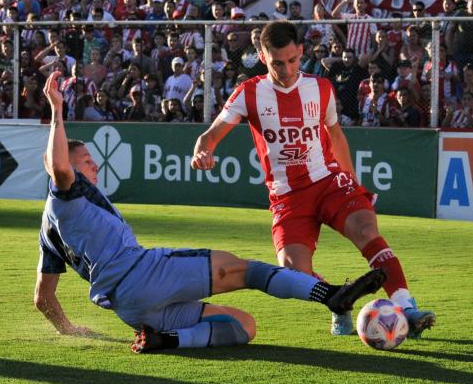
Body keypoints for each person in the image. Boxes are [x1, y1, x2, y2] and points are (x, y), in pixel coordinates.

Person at [35, 70, 386, 353]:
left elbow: (43, 297)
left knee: (242, 326)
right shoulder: (68, 191)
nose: (94, 167)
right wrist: (57, 110)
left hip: (131, 311)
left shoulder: (49, 227)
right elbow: (60, 168)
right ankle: (331, 296)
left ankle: (167, 340)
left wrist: (69, 329)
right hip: (146, 274)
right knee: (251, 271)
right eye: (87, 161)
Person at [190, 21, 435, 338]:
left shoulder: (320, 88)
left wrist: (352, 181)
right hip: (287, 197)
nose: (287, 69)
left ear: (301, 52)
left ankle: (406, 306)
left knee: (366, 229)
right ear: (264, 57)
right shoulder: (248, 94)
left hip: (328, 181)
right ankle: (339, 301)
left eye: (292, 60)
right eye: (278, 62)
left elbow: (335, 135)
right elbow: (209, 137)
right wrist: (202, 153)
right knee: (295, 271)